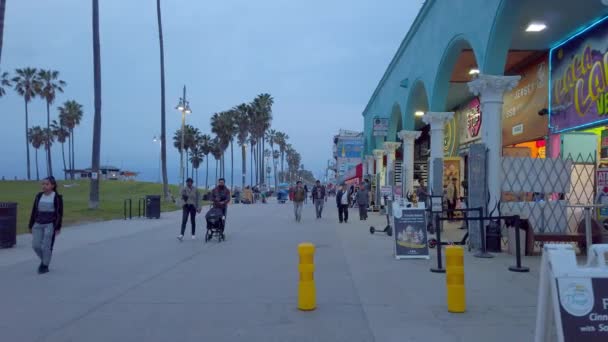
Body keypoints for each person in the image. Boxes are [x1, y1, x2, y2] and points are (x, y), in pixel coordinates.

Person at [29, 176, 63, 274]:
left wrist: (57, 227)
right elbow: (34, 211)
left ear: (52, 186)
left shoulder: (57, 197)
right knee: (36, 245)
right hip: (38, 224)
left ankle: (44, 265)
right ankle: (45, 260)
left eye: (47, 184)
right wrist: (31, 225)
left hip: (50, 225)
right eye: (43, 184)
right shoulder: (39, 196)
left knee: (46, 247)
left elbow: (59, 213)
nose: (44, 186)